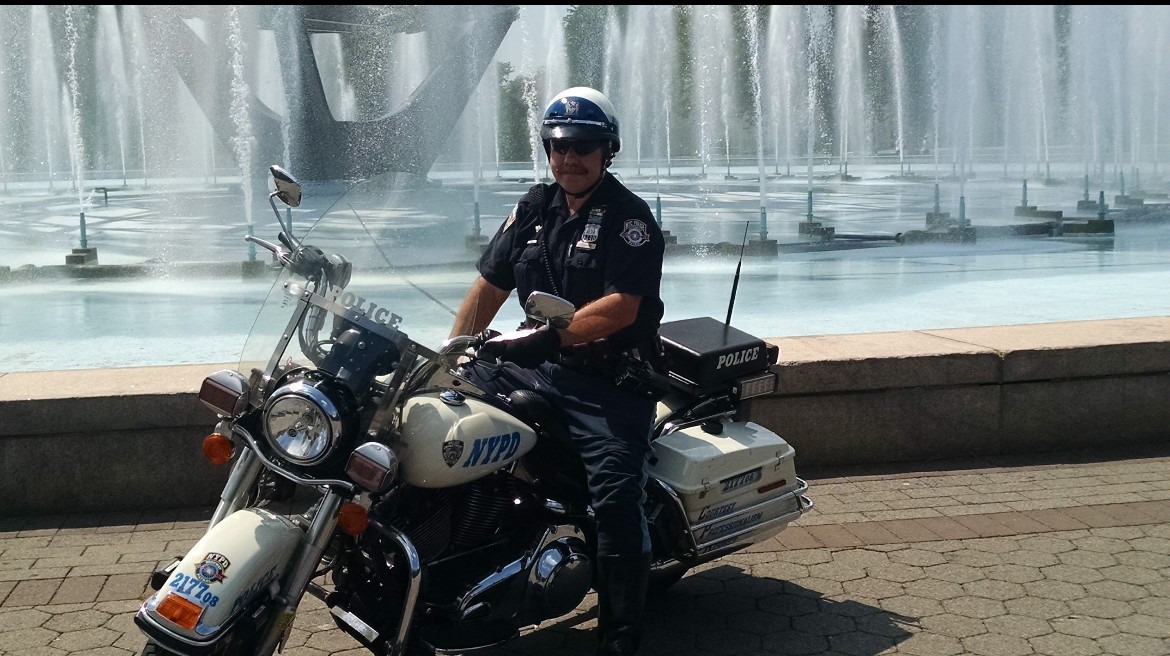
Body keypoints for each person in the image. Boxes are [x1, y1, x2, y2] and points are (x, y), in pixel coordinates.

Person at [448, 86, 666, 655]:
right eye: (559, 146)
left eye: (583, 147)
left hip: (608, 384)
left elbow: (623, 306)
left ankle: (620, 633)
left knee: (615, 498)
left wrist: (549, 336)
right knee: (443, 425)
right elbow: (489, 286)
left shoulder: (629, 218)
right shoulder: (534, 208)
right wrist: (451, 355)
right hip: (535, 367)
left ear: (607, 151)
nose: (569, 158)